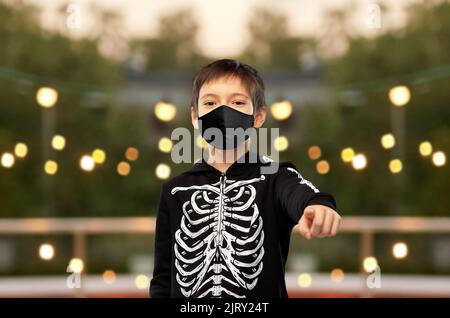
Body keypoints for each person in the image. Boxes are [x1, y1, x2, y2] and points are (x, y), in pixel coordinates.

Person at [149, 59, 341, 298]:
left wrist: (318, 205)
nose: (222, 112)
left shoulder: (276, 178)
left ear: (258, 117)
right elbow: (163, 278)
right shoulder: (175, 190)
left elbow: (302, 194)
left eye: (237, 102)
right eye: (210, 102)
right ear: (195, 117)